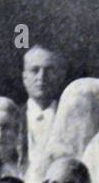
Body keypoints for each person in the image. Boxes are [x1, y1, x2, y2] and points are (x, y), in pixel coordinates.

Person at [22, 44, 68, 172]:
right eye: (35, 70)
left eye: (49, 70)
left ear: (61, 76)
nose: (41, 77)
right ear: (24, 77)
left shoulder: (71, 118)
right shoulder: (10, 118)